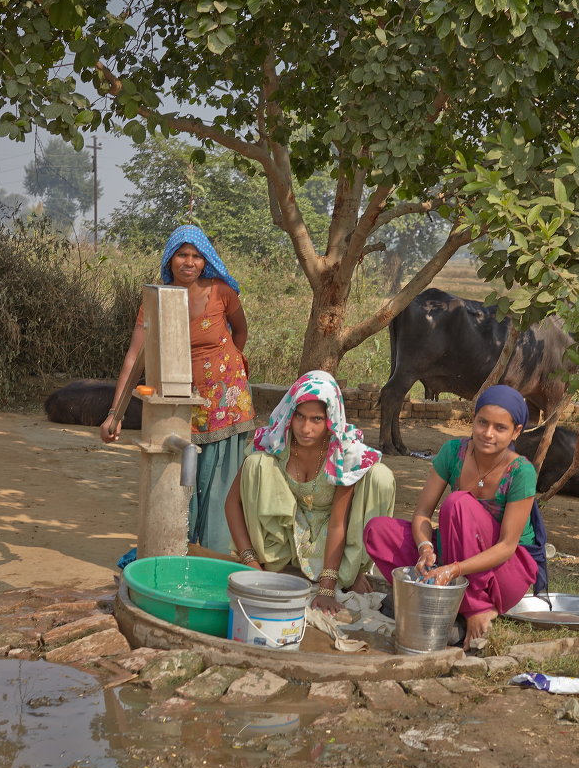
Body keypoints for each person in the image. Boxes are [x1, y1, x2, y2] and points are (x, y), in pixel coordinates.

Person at [100, 225, 256, 553]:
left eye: (197, 256)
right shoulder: (156, 300)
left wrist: (229, 370)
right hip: (182, 401)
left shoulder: (221, 292)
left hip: (228, 403)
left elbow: (240, 332)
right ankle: (180, 552)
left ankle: (213, 557)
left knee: (220, 486)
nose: (189, 262)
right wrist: (114, 413)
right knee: (181, 479)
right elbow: (135, 358)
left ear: (206, 261)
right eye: (182, 255)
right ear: (170, 259)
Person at [363, 385, 547, 648]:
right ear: (473, 419)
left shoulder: (520, 471)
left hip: (504, 572)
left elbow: (507, 546)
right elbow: (422, 514)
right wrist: (425, 548)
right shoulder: (453, 453)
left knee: (458, 503)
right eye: (482, 422)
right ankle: (446, 605)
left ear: (517, 431)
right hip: (455, 553)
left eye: (500, 428)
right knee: (378, 530)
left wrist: (454, 570)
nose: (488, 433)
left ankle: (474, 609)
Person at [224, 370, 396, 615]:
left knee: (380, 476)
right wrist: (250, 561)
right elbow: (232, 503)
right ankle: (272, 566)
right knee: (256, 463)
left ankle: (351, 573)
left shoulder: (343, 452)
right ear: (290, 415)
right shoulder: (274, 442)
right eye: (300, 417)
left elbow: (338, 523)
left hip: (334, 537)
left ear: (330, 420)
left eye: (317, 419)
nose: (305, 428)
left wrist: (327, 589)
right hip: (286, 539)